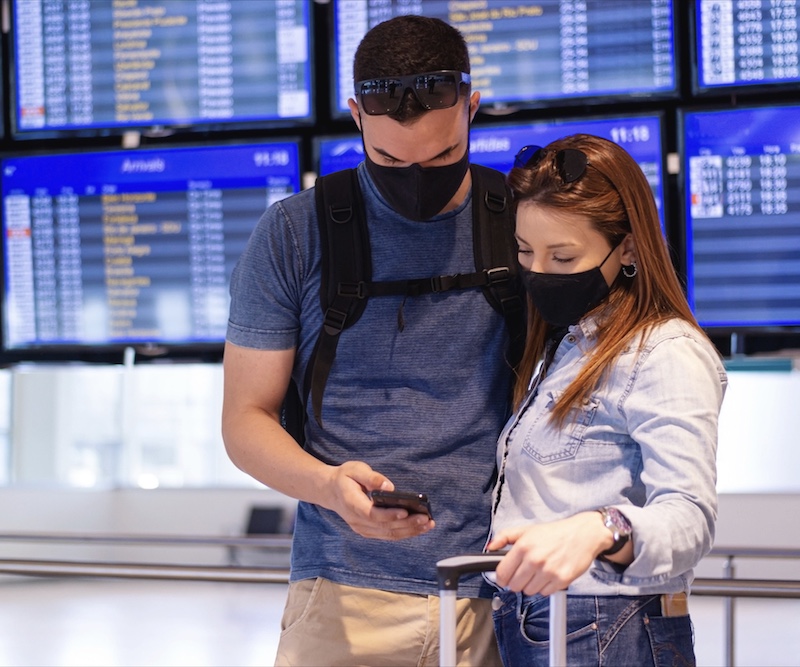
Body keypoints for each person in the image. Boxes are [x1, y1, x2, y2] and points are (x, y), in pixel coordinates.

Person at [222, 15, 515, 667]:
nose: (417, 179)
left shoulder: (521, 220)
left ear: (472, 108)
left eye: (441, 157)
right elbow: (245, 420)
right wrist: (329, 487)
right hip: (342, 596)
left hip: (503, 596)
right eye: (389, 161)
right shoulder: (294, 234)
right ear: (356, 116)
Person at [485, 134, 728, 666]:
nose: (539, 271)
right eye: (526, 251)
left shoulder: (665, 352)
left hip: (607, 626)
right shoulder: (567, 347)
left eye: (564, 255)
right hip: (533, 621)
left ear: (630, 247)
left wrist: (601, 527)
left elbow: (689, 517)